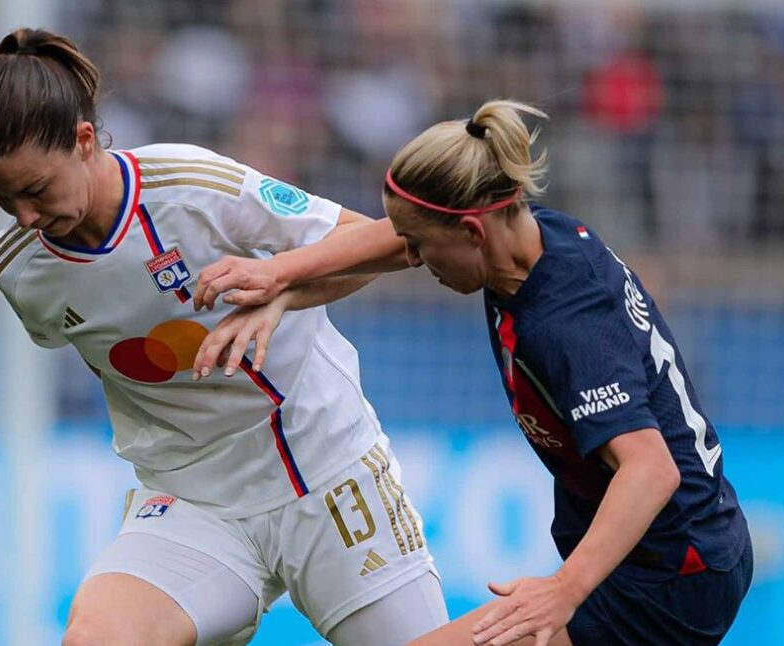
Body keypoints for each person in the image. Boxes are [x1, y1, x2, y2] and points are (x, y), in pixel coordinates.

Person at [192, 99, 753, 646]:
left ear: (471, 232)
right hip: (675, 552)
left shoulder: (563, 324)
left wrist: (563, 590)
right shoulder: (533, 240)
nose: (412, 260)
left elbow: (652, 470)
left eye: (421, 246)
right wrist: (280, 280)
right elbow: (394, 238)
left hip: (670, 574)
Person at [0, 28, 448, 646]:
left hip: (322, 468)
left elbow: (384, 242)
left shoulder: (192, 186)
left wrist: (281, 293)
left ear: (84, 141)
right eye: (0, 199)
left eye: (34, 190)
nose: (24, 216)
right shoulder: (21, 271)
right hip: (193, 501)